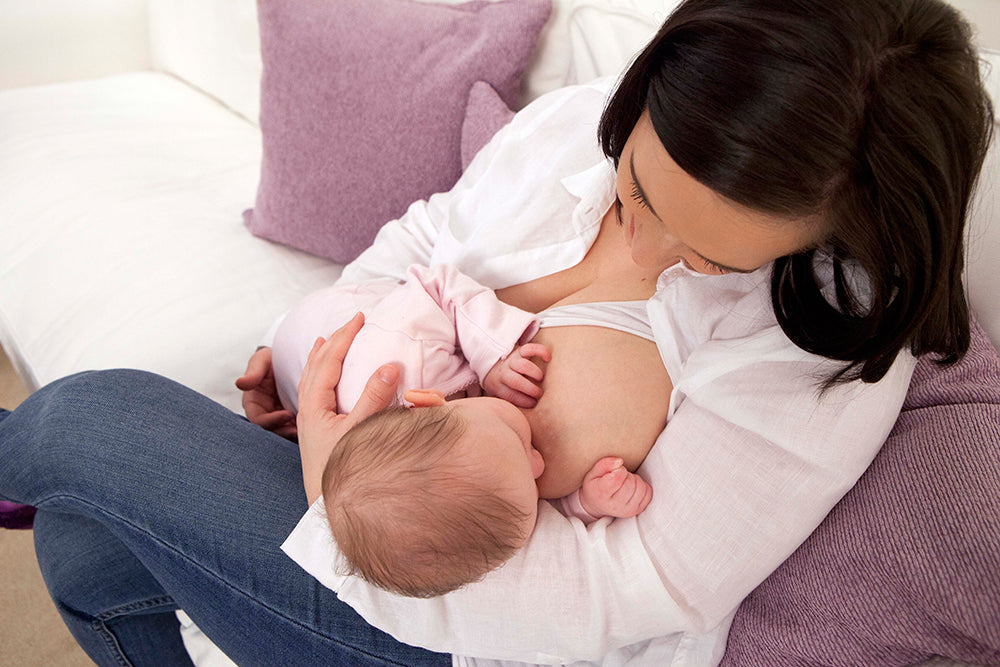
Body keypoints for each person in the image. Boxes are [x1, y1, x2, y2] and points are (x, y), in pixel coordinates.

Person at [0, 0, 992, 665]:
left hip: (473, 630)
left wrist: (333, 489)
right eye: (638, 192)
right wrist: (337, 376)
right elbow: (420, 238)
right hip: (383, 500)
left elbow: (632, 586)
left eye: (714, 258)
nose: (645, 251)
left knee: (86, 417)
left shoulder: (820, 347)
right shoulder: (572, 126)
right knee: (87, 543)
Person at [268, 263, 656, 597]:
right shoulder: (450, 468)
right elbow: (518, 509)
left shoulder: (409, 353)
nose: (539, 465)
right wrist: (587, 505)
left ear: (429, 401)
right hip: (294, 371)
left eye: (520, 443)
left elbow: (436, 284)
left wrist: (494, 355)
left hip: (338, 318)